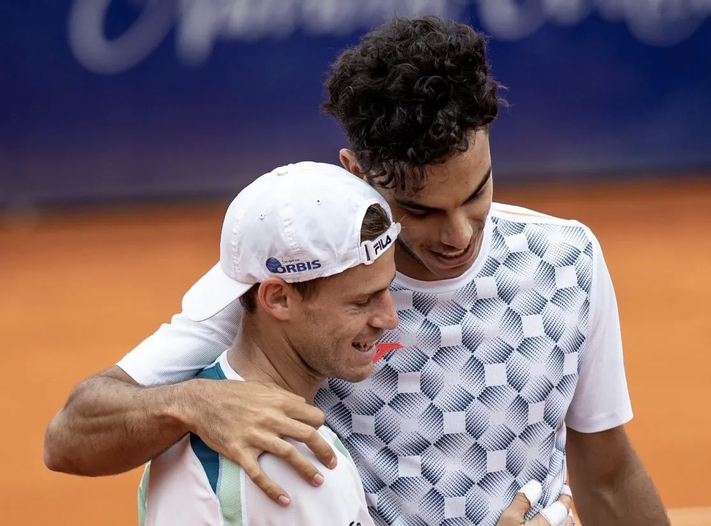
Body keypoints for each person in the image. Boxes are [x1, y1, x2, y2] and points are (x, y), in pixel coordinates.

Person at [44, 16, 669, 526]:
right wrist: (193, 401)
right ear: (356, 176)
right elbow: (71, 435)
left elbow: (607, 475)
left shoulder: (568, 261)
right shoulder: (301, 274)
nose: (457, 235)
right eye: (420, 210)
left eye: (476, 193)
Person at [138, 161, 400, 525]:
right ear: (278, 299)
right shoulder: (263, 464)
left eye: (386, 289)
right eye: (361, 301)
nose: (390, 319)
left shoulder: (221, 424)